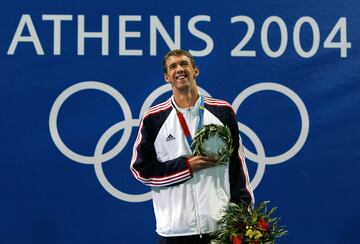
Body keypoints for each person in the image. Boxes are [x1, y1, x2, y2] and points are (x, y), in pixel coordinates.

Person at [130, 49, 254, 244]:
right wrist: (185, 167)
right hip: (175, 231)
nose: (179, 69)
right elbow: (140, 170)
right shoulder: (154, 118)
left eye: (184, 64)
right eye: (173, 66)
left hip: (219, 228)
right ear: (166, 77)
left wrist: (242, 218)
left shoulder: (222, 111)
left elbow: (238, 169)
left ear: (196, 71)